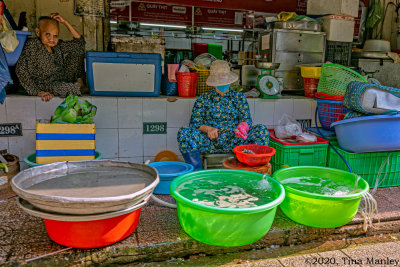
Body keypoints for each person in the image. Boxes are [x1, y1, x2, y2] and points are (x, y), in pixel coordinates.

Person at [177, 60, 269, 170]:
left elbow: (246, 119)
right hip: (211, 142)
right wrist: (209, 129)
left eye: (225, 81)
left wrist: (242, 127)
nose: (223, 83)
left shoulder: (238, 97)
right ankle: (197, 174)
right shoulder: (203, 98)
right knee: (184, 133)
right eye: (219, 81)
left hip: (235, 140)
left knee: (261, 130)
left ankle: (253, 170)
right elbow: (195, 123)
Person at [16, 13, 86, 102]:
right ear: (38, 32)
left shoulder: (57, 46)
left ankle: (79, 85)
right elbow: (21, 69)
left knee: (77, 50)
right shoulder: (33, 45)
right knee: (66, 88)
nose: (51, 39)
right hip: (46, 84)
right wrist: (36, 91)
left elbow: (79, 43)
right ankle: (79, 86)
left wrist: (65, 22)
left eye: (55, 36)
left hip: (62, 77)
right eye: (47, 34)